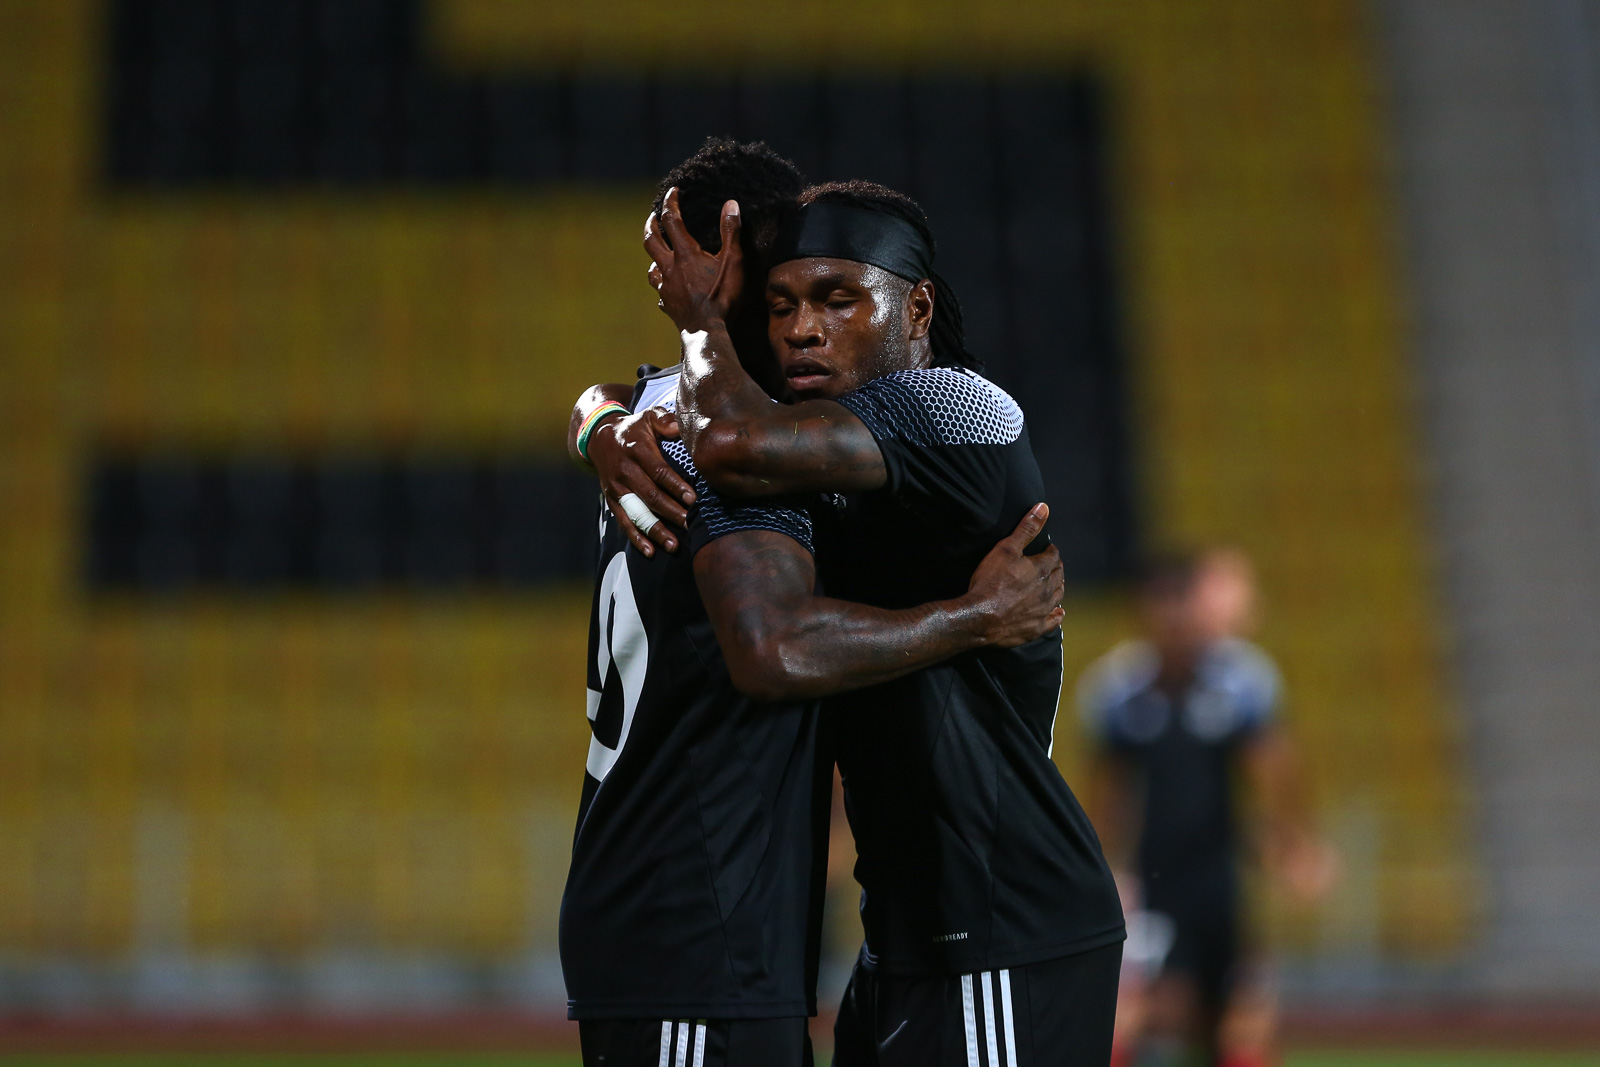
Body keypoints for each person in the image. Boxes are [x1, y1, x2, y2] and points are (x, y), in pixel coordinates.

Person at [560, 140, 1070, 1067]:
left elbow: (673, 419)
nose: (800, 327)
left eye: (831, 297)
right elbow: (777, 646)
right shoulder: (722, 441)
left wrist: (597, 417)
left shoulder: (676, 420)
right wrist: (977, 615)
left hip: (962, 923)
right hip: (702, 922)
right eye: (781, 297)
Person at [1077, 549, 1337, 1067]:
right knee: (1154, 1009)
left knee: (1241, 1014)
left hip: (1221, 876)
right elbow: (1109, 792)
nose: (1174, 617)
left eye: (1183, 601)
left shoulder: (1240, 679)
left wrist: (1294, 845)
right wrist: (1101, 869)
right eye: (1162, 602)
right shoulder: (1120, 690)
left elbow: (1274, 767)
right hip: (1155, 877)